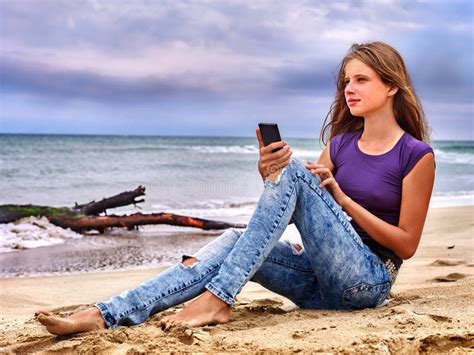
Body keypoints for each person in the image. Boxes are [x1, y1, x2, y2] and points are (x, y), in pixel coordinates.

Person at [36, 41, 435, 335]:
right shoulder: (340, 145)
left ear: (391, 87)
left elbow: (406, 245)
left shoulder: (415, 155)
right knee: (232, 238)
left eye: (361, 79)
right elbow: (299, 207)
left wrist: (342, 199)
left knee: (295, 172)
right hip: (318, 283)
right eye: (347, 80)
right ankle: (105, 314)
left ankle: (219, 297)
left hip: (367, 282)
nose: (349, 88)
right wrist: (268, 173)